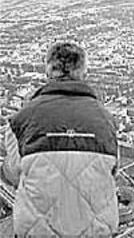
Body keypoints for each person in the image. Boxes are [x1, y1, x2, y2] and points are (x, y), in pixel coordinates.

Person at [0, 42, 119, 237]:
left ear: (48, 72)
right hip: (95, 232)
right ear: (84, 73)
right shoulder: (106, 121)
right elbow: (112, 172)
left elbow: (12, 174)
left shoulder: (20, 120)